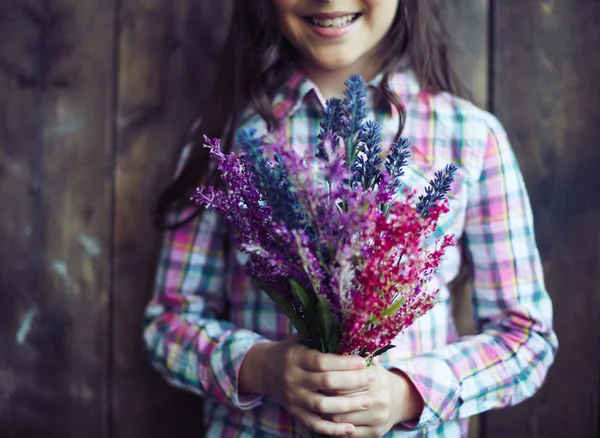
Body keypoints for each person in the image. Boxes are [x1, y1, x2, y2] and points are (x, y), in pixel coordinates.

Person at [144, 1, 558, 437]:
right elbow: (168, 323)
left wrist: (408, 394)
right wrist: (262, 368)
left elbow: (525, 337)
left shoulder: (470, 138)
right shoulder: (226, 144)